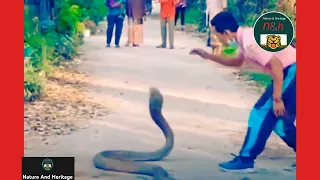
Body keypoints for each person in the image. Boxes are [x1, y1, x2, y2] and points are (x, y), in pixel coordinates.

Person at [190, 12, 296, 171]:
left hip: (292, 71)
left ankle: (246, 159)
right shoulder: (245, 38)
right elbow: (236, 62)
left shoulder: (249, 43)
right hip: (292, 71)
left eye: (216, 35)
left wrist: (277, 98)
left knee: (259, 114)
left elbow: (277, 66)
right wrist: (209, 56)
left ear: (225, 33)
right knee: (281, 122)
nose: (216, 39)